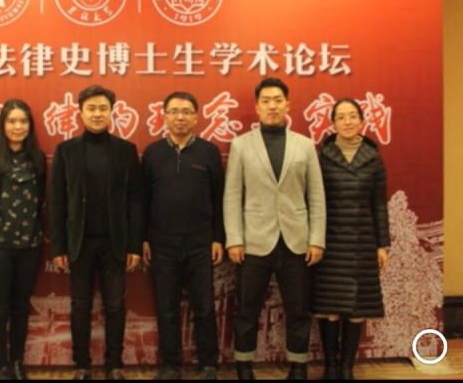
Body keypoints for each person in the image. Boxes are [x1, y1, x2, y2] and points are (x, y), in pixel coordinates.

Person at [224, 77, 326, 380]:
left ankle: (298, 366)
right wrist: (234, 239)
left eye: (278, 100)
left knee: (298, 310)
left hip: (296, 241)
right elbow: (232, 195)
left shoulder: (304, 145)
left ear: (287, 105)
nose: (272, 106)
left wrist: (316, 239)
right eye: (266, 100)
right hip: (254, 241)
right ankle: (244, 365)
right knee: (247, 310)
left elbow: (316, 195)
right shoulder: (241, 145)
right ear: (257, 107)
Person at [49, 85, 144, 380]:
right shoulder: (66, 151)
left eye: (103, 108)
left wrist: (134, 245)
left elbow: (135, 201)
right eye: (91, 108)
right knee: (80, 305)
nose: (97, 114)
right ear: (80, 113)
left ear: (112, 112)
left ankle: (114, 364)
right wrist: (58, 247)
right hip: (80, 243)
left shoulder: (126, 150)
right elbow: (56, 202)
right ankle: (82, 365)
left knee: (115, 305)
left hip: (115, 243)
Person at [141, 92, 224, 381]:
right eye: (174, 111)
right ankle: (171, 365)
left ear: (196, 117)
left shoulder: (209, 152)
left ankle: (208, 365)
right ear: (164, 116)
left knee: (204, 308)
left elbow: (219, 198)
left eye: (186, 111)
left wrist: (218, 238)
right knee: (167, 310)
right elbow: (143, 200)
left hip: (200, 244)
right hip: (162, 245)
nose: (180, 117)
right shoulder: (152, 153)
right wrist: (144, 238)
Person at [311, 98, 390, 380]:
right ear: (333, 123)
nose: (347, 121)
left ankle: (347, 367)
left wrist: (382, 244)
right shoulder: (322, 156)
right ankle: (331, 366)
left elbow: (379, 204)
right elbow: (314, 200)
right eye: (341, 117)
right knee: (329, 308)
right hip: (329, 241)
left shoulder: (373, 157)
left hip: (362, 241)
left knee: (358, 308)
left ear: (361, 121)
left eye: (352, 116)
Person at [0, 99, 46, 380]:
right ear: (2, 125)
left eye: (23, 121)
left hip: (30, 245)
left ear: (30, 126)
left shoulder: (37, 159)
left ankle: (17, 362)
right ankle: (1, 365)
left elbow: (40, 199)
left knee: (20, 307)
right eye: (12, 121)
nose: (18, 127)